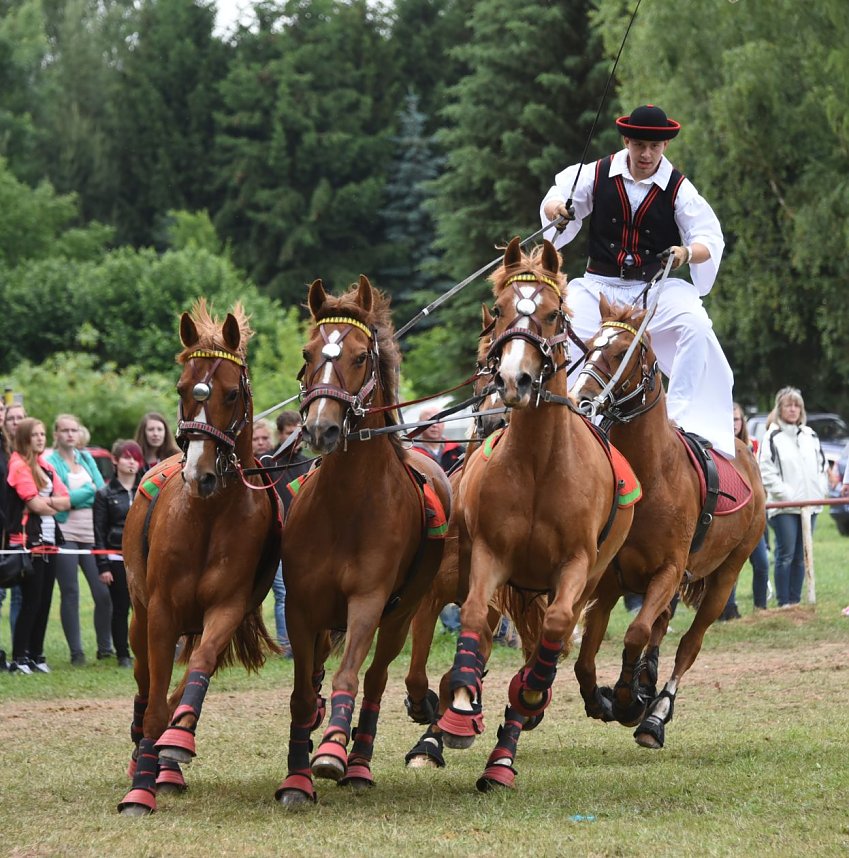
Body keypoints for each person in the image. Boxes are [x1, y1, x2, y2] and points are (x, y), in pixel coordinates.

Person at [541, 103, 735, 456]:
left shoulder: (679, 188)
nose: (646, 154)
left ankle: (678, 419)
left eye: (654, 147)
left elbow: (710, 238)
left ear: (665, 147)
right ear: (626, 141)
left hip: (653, 291)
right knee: (559, 332)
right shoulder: (597, 173)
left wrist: (687, 253)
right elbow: (557, 197)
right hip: (599, 288)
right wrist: (559, 211)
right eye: (639, 145)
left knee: (696, 326)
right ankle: (566, 418)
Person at [6, 417, 71, 673]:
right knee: (30, 601)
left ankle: (37, 655)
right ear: (24, 438)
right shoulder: (18, 465)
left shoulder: (46, 465)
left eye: (43, 434)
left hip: (50, 540)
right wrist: (52, 504)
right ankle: (19, 657)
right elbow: (35, 504)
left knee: (45, 600)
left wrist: (50, 504)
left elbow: (65, 501)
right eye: (35, 435)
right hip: (28, 542)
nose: (41, 439)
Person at [47, 414, 113, 665]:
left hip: (92, 533)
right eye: (64, 430)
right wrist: (84, 494)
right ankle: (76, 653)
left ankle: (105, 648)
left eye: (73, 430)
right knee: (70, 592)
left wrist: (77, 496)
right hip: (65, 531)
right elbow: (60, 494)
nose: (70, 435)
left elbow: (100, 490)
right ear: (56, 434)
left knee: (102, 592)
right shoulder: (50, 461)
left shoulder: (86, 457)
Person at [758, 387, 830, 608]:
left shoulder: (810, 435)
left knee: (802, 555)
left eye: (797, 405)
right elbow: (766, 470)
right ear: (780, 408)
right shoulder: (772, 436)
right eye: (788, 405)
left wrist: (820, 490)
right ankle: (783, 603)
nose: (793, 409)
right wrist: (787, 494)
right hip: (784, 507)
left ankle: (796, 601)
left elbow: (822, 465)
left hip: (811, 505)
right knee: (786, 554)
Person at [93, 440, 145, 668]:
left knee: (144, 607)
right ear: (115, 460)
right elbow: (99, 531)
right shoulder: (104, 494)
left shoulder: (146, 490)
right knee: (121, 607)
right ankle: (122, 653)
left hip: (143, 558)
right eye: (126, 457)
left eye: (135, 457)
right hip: (115, 557)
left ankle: (145, 650)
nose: (131, 461)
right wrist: (103, 565)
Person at [267, 411, 312, 657]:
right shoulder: (267, 462)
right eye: (288, 433)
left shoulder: (308, 464)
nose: (293, 439)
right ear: (280, 433)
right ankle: (286, 646)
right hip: (276, 538)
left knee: (303, 594)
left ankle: (303, 642)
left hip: (303, 541)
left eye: (298, 433)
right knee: (284, 592)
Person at [2, 401, 27, 641]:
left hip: (21, 531)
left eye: (21, 417)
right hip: (6, 528)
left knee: (20, 592)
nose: (16, 422)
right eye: (12, 418)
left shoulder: (23, 454)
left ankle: (20, 651)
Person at [412, 406, 463, 473]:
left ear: (444, 424)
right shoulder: (412, 453)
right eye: (429, 421)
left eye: (438, 421)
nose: (435, 425)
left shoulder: (458, 451)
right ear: (419, 424)